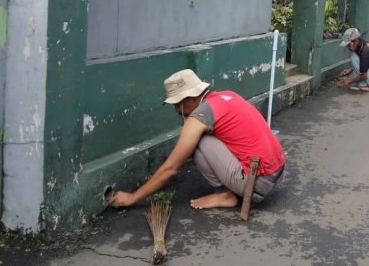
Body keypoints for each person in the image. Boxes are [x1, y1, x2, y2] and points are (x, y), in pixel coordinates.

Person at [109, 69, 285, 210]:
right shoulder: (226, 95)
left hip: (257, 184)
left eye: (178, 103)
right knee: (201, 138)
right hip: (276, 171)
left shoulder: (200, 116)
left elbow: (171, 169)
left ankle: (225, 195)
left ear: (192, 98)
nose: (177, 110)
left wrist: (132, 197)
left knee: (199, 142)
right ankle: (229, 191)